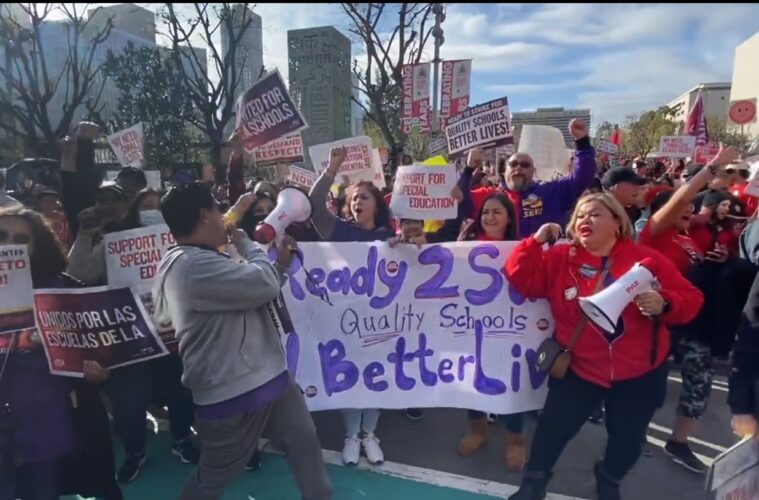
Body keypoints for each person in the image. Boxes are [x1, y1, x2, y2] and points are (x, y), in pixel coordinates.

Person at [504, 193, 703, 500]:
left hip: (640, 374)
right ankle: (534, 481)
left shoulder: (645, 261)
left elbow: (691, 299)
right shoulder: (559, 259)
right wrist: (534, 241)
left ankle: (609, 476)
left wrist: (665, 303)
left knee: (628, 442)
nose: (585, 220)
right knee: (552, 429)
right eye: (580, 216)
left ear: (617, 224)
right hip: (581, 369)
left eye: (595, 214)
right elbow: (521, 279)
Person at [153, 182, 332, 500]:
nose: (223, 215)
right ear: (204, 215)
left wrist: (279, 265)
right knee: (214, 476)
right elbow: (261, 284)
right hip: (232, 395)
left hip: (271, 379)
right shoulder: (192, 266)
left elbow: (252, 290)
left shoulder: (196, 258)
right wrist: (249, 245)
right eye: (217, 209)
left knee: (304, 443)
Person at [0, 206, 122, 500]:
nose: (8, 245)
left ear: (37, 247)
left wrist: (95, 372)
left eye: (20, 239)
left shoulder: (61, 293)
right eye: (1, 236)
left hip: (44, 428)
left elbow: (89, 358)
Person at [638, 144, 738, 473]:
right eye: (677, 205)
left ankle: (678, 442)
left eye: (686, 206)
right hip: (653, 321)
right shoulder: (652, 235)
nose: (685, 208)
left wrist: (721, 260)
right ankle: (632, 436)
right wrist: (711, 167)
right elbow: (683, 197)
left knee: (699, 378)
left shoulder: (690, 240)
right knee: (645, 388)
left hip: (689, 322)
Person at [468, 119, 596, 238]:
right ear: (504, 170)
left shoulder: (549, 192)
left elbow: (582, 178)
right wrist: (468, 169)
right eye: (513, 164)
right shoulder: (488, 196)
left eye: (525, 165)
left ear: (534, 171)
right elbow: (457, 201)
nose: (518, 168)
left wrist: (582, 143)